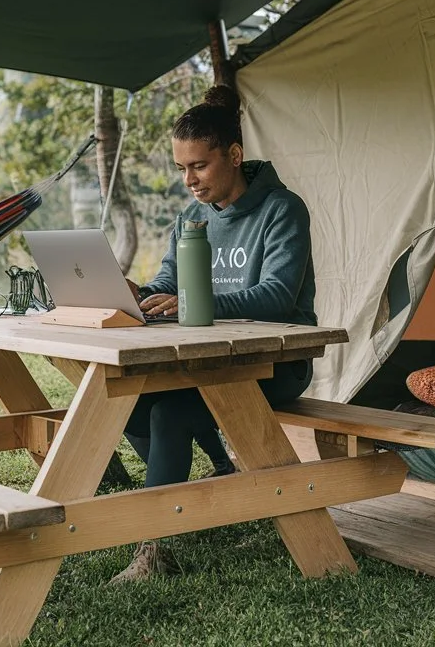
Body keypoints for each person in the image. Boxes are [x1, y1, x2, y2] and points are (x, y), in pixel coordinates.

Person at [111, 84, 317, 583]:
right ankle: (218, 475)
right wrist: (136, 294)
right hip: (206, 363)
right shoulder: (191, 218)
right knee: (127, 405)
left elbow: (276, 298)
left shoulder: (282, 210)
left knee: (172, 412)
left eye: (199, 166)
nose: (189, 180)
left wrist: (196, 305)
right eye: (181, 168)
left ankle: (154, 547)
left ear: (234, 155)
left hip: (275, 364)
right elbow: (168, 283)